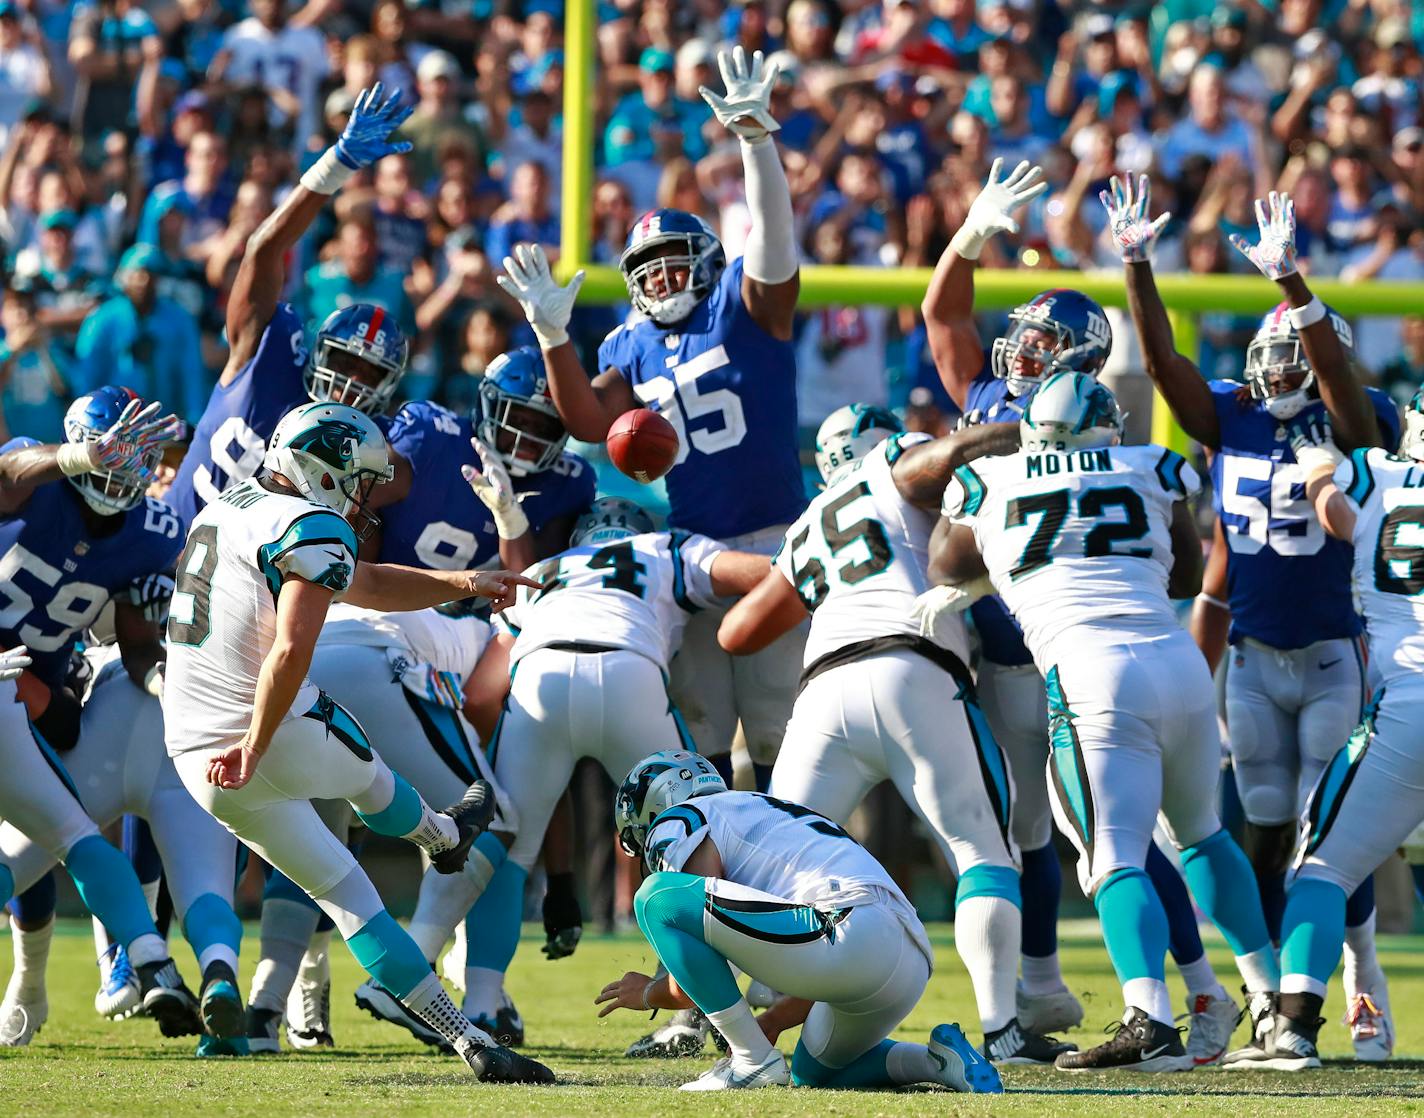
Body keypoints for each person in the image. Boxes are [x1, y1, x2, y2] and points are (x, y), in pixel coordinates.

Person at [496, 48, 808, 1053]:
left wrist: (758, 144)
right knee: (694, 770)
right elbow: (590, 420)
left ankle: (795, 945)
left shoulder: (739, 306)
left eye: (676, 262)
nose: (664, 278)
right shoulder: (628, 341)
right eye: (648, 270)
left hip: (765, 546)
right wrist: (552, 334)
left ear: (703, 266)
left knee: (787, 759)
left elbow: (772, 252)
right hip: (689, 557)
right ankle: (699, 977)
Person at [920, 159, 1233, 1059]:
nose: (1017, 352)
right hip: (1014, 649)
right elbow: (943, 318)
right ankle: (1059, 988)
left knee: (1097, 837)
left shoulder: (1099, 429)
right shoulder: (992, 400)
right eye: (1018, 337)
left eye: (1038, 343)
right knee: (1047, 831)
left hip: (1055, 659)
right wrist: (969, 233)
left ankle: (1184, 991)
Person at [161, 399, 552, 1083]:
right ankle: (440, 838)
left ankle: (471, 1044)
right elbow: (287, 654)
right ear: (325, 465)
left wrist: (460, 581)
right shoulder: (306, 523)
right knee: (365, 773)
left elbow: (363, 582)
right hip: (262, 730)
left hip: (195, 758)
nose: (364, 492)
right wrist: (255, 744)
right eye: (360, 476)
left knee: (350, 899)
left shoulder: (227, 507)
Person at [1106, 177, 1399, 1059]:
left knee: (1326, 830)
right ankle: (1277, 998)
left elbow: (1350, 406)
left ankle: (1361, 980)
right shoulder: (1229, 415)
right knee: (1267, 825)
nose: (1281, 369)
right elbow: (1161, 365)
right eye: (1273, 355)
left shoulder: (1355, 420)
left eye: (1298, 355)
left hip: (1334, 653)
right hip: (1253, 657)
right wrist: (1137, 266)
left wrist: (1294, 288)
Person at [927, 372, 1280, 1072]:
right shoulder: (1149, 463)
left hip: (1088, 671)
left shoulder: (990, 476)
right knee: (1202, 835)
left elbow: (946, 562)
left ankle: (1148, 1016)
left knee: (1111, 856)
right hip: (1176, 661)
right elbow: (1183, 572)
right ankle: (1273, 1004)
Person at [720, 404, 1068, 1065]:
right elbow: (948, 455)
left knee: (773, 867)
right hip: (913, 666)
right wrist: (1042, 433)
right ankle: (1002, 1030)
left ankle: (740, 1013)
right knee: (981, 852)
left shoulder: (810, 524)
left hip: (823, 693)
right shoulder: (899, 466)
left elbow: (735, 632)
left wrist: (810, 586)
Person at [443, 495, 768, 1035]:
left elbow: (488, 676)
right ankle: (697, 1009)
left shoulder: (546, 569)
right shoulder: (665, 546)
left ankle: (480, 1005)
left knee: (510, 847)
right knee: (696, 838)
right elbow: (752, 573)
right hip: (628, 672)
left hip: (539, 677)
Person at [596, 750, 1002, 1094]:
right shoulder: (759, 813)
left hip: (845, 929)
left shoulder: (686, 816)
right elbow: (809, 953)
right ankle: (937, 1062)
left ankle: (751, 1060)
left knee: (655, 897)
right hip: (903, 957)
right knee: (816, 1071)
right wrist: (771, 1021)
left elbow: (706, 958)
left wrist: (649, 992)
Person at [0, 386, 204, 1044]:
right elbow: (9, 472)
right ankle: (126, 962)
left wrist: (164, 678)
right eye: (108, 456)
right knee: (56, 829)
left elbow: (140, 644)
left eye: (131, 458)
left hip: (42, 692)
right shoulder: (35, 479)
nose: (118, 471)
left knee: (49, 831)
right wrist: (75, 456)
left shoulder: (153, 534)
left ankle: (99, 967)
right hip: (19, 682)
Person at [1226, 398, 1424, 1069]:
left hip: (1410, 698)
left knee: (1318, 869)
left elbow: (1338, 513)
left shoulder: (1377, 475)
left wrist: (1316, 471)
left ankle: (1294, 1030)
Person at [166, 83, 415, 529]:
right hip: (165, 554)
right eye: (346, 362)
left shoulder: (365, 450)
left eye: (370, 374)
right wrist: (337, 167)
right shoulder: (269, 353)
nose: (351, 383)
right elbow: (262, 250)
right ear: (319, 351)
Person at [0, 652, 245, 1054]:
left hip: (107, 708)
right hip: (191, 705)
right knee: (207, 890)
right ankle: (220, 979)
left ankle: (144, 959)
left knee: (26, 850)